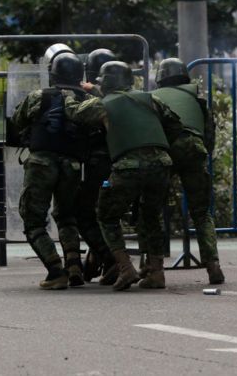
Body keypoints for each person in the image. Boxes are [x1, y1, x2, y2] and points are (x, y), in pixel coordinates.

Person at [64, 61, 183, 291]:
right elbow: (175, 124)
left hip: (128, 165)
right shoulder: (150, 99)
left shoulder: (102, 105)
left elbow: (75, 113)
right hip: (161, 164)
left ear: (106, 82)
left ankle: (126, 268)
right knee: (152, 217)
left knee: (106, 215)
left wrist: (69, 94)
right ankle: (157, 272)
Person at [11, 52, 90, 289]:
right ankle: (75, 266)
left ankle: (56, 270)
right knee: (66, 216)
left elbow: (17, 120)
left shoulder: (38, 96)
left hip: (41, 164)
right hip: (73, 165)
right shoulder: (86, 99)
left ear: (52, 74)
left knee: (34, 219)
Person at [151, 57, 225, 285]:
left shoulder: (154, 98)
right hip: (195, 149)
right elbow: (209, 135)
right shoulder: (197, 99)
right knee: (202, 212)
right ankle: (212, 264)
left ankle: (155, 269)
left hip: (166, 150)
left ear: (160, 77)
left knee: (152, 210)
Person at [74, 48, 118, 284]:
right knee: (105, 214)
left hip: (100, 165)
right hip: (121, 164)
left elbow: (80, 120)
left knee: (84, 213)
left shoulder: (93, 98)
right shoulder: (131, 95)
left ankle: (111, 259)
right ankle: (97, 262)